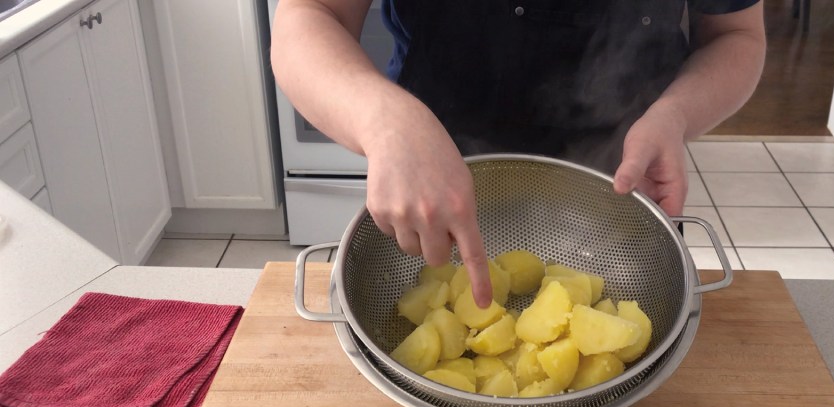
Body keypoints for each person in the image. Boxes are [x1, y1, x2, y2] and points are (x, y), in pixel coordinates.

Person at [271, 0, 766, 307]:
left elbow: (736, 36)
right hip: (436, 181)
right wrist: (382, 121)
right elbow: (310, 14)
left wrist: (675, 115)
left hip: (618, 193)